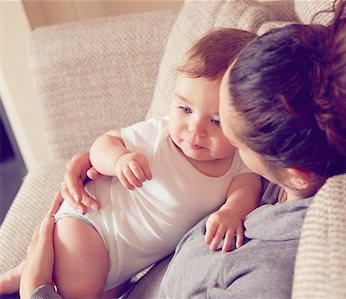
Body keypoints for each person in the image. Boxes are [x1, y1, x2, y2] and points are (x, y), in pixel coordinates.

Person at [8, 0, 346, 297]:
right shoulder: (294, 169)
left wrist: (36, 289)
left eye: (229, 131)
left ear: (293, 172)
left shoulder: (266, 271)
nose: (202, 137)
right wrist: (98, 156)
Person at [0, 28, 261, 298]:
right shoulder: (158, 136)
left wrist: (232, 212)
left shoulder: (240, 163)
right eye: (184, 109)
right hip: (92, 225)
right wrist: (119, 159)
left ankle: (28, 274)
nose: (195, 129)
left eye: (216, 121)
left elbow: (246, 190)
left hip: (126, 266)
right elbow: (103, 144)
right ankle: (29, 276)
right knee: (82, 291)